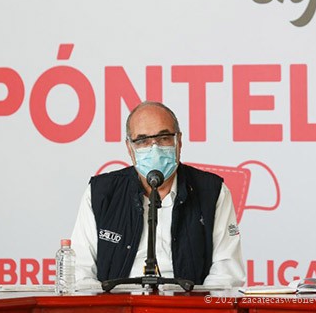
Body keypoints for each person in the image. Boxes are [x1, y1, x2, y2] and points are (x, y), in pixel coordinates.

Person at [70, 101, 245, 288]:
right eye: (142, 141)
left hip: (187, 302)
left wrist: (195, 303)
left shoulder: (212, 191)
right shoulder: (100, 193)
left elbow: (226, 273)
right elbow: (80, 272)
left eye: (163, 138)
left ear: (178, 141)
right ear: (129, 148)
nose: (154, 149)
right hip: (118, 302)